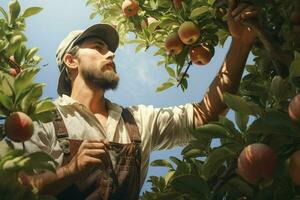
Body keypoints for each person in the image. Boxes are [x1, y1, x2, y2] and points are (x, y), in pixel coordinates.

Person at [18, 0, 258, 199]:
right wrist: (71, 170)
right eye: (99, 47)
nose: (111, 53)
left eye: (109, 49)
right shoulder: (44, 119)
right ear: (71, 61)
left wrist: (241, 43)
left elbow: (205, 115)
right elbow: (13, 189)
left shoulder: (137, 120)